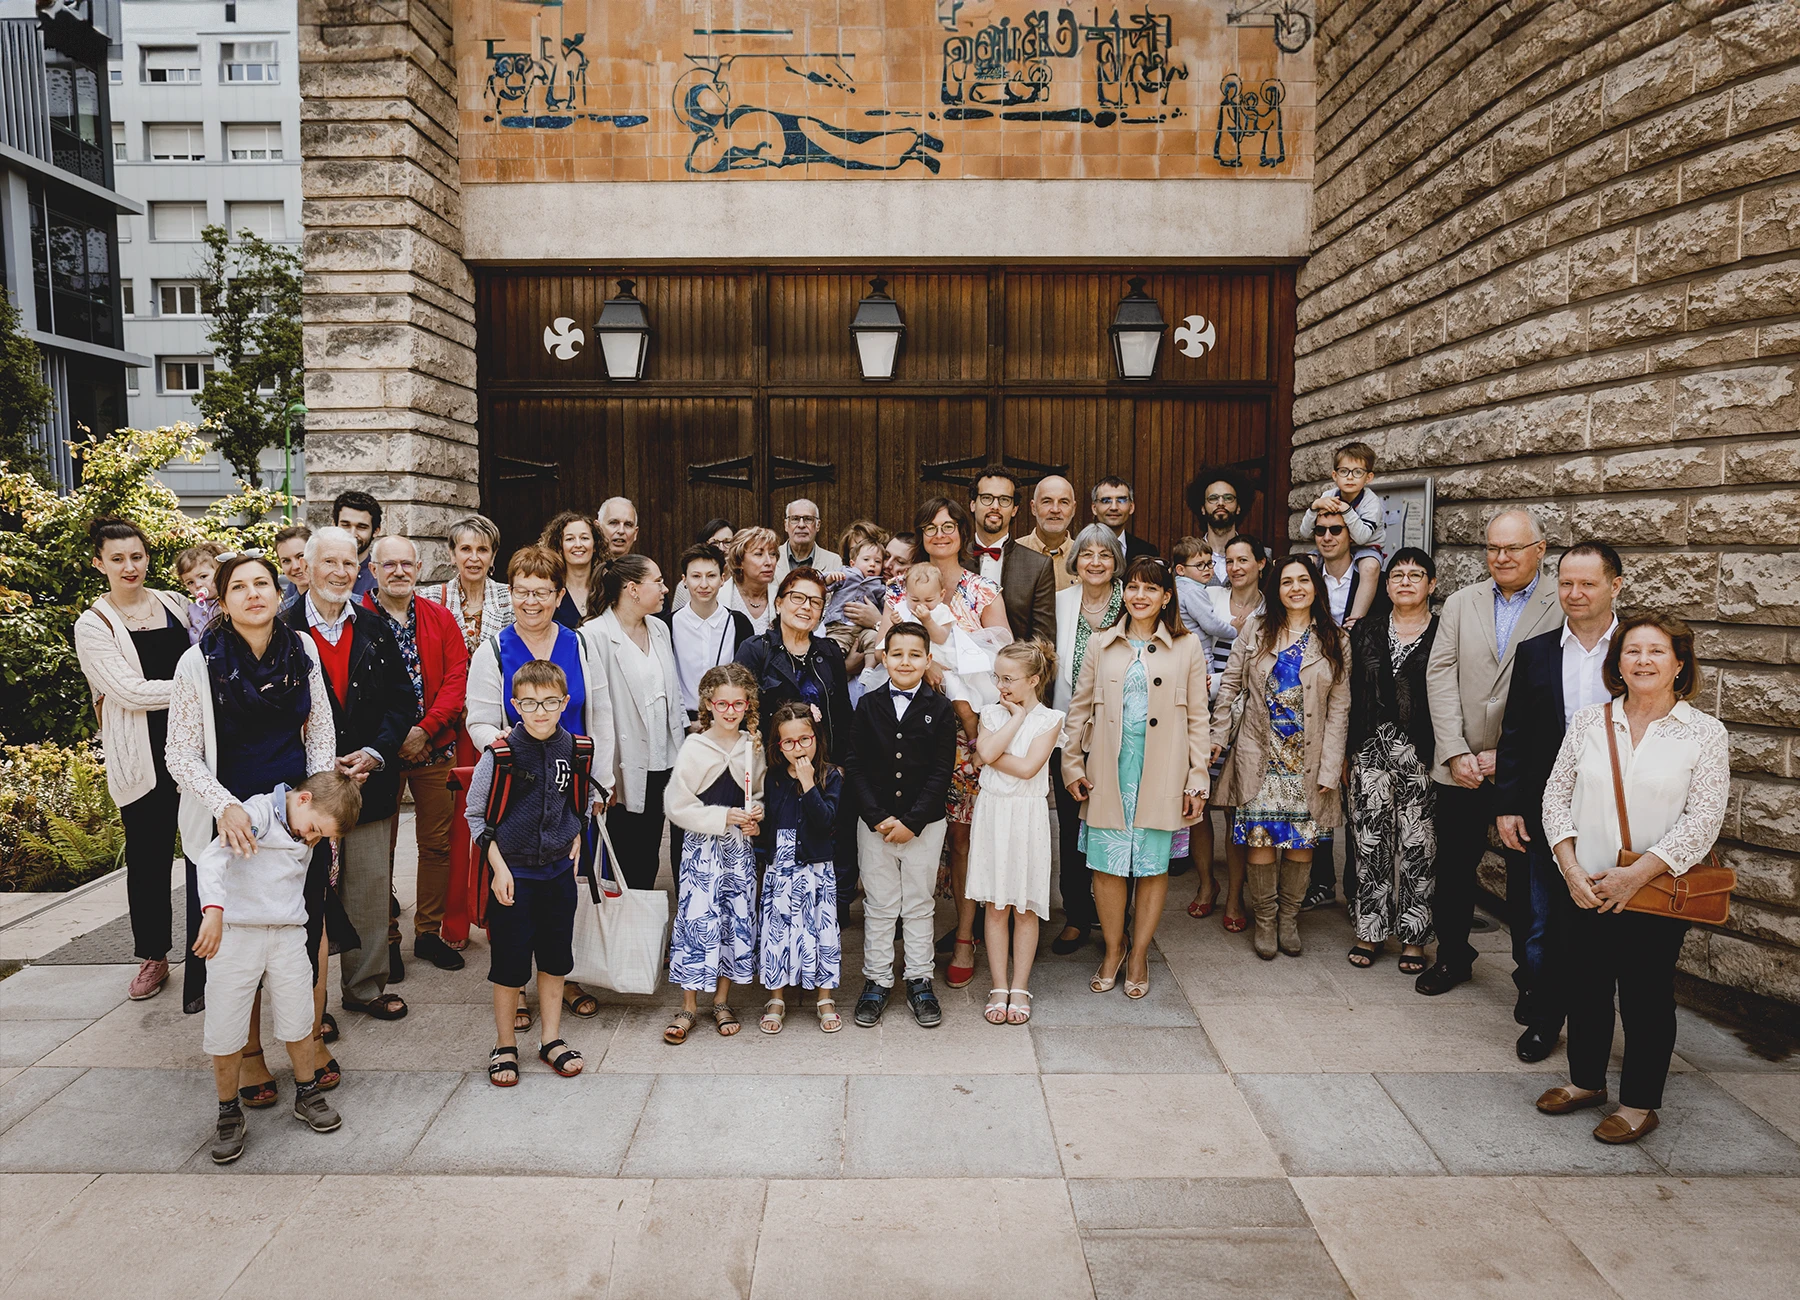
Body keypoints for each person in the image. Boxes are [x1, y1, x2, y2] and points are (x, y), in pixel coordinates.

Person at [1534, 614, 1730, 1144]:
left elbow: (1704, 819)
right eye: (1632, 651)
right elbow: (1555, 797)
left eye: (1657, 652)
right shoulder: (1588, 722)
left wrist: (1635, 875)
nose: (1643, 660)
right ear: (1616, 662)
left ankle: (1640, 1102)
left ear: (1679, 664)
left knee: (1645, 996)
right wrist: (1571, 870)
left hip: (1652, 890)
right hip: (1586, 883)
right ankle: (1585, 1082)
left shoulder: (1704, 733)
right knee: (1585, 986)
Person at [166, 551, 337, 1087]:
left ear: (279, 592)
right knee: (239, 944)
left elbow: (322, 734)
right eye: (238, 587)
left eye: (262, 583)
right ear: (222, 600)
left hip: (294, 817)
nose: (253, 593)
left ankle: (305, 1045)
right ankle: (249, 1055)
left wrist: (318, 803)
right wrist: (224, 806)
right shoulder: (198, 662)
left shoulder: (301, 648)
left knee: (300, 935)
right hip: (232, 822)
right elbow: (180, 753)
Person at [466, 544, 615, 1022]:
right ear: (511, 593)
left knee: (562, 886)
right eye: (523, 592)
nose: (532, 602)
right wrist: (515, 744)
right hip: (518, 783)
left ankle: (561, 978)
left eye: (543, 592)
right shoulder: (492, 650)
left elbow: (599, 715)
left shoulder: (581, 643)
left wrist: (599, 786)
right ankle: (518, 986)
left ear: (558, 595)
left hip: (570, 780)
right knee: (516, 889)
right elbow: (480, 720)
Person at [1418, 508, 1561, 995]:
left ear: (1539, 551)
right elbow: (1439, 676)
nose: (1500, 557)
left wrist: (1511, 755)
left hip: (1523, 771)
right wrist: (1455, 750)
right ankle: (1453, 957)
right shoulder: (1461, 602)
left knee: (1526, 883)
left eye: (1512, 548)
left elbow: (1563, 692)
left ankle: (1531, 978)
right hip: (1460, 769)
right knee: (1454, 871)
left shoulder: (1560, 604)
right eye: (1492, 548)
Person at [280, 526, 416, 1018]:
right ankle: (307, 1008)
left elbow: (403, 704)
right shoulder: (282, 627)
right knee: (304, 896)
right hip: (304, 792)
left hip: (369, 780)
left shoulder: (376, 627)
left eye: (349, 563)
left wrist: (376, 753)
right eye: (329, 563)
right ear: (306, 568)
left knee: (368, 889)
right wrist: (317, 765)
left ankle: (365, 988)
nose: (340, 572)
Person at [876, 497, 1012, 988]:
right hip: (910, 727)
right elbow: (885, 650)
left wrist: (951, 664)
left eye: (949, 526)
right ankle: (911, 934)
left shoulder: (981, 588)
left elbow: (1004, 653)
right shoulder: (899, 588)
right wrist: (926, 664)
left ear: (963, 531)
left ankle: (965, 935)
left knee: (961, 835)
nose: (940, 534)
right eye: (930, 527)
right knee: (914, 829)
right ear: (919, 534)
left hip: (966, 730)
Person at [1496, 541, 1624, 1062]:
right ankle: (1545, 1018)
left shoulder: (1638, 648)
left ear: (1615, 586)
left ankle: (1612, 1025)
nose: (1574, 593)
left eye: (1587, 583)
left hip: (1622, 812)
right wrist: (1508, 804)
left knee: (1617, 926)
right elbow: (1516, 734)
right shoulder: (1537, 652)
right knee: (1543, 923)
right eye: (1566, 583)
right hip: (1551, 810)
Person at [194, 771, 359, 1163]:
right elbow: (211, 859)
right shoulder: (257, 813)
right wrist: (213, 912)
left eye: (322, 837)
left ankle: (307, 1092)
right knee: (226, 1026)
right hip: (236, 932)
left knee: (299, 1019)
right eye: (316, 829)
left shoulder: (303, 824)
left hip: (286, 934)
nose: (313, 839)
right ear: (302, 801)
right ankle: (228, 1111)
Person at [1063, 557, 1209, 996]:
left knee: (1150, 868)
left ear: (1167, 597)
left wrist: (1197, 778)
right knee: (1106, 868)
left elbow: (1199, 719)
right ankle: (1113, 947)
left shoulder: (1188, 647)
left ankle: (1140, 952)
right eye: (1132, 587)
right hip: (1109, 768)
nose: (1139, 596)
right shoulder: (1102, 644)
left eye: (1151, 589)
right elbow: (1078, 709)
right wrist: (1071, 763)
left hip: (1164, 771)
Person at [75, 518, 194, 1001]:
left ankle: (219, 947)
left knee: (211, 851)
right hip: (142, 758)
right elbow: (126, 690)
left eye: (137, 556)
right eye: (118, 558)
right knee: (148, 860)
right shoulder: (93, 623)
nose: (130, 566)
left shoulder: (176, 603)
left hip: (195, 748)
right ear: (99, 563)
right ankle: (154, 955)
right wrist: (199, 689)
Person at [1210, 554, 1351, 961]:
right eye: (1286, 581)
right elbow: (1231, 686)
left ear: (1315, 587)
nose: (1295, 588)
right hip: (1260, 753)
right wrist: (1218, 738)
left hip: (1306, 760)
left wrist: (1331, 765)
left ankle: (1290, 918)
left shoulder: (1334, 638)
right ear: (1276, 589)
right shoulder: (1256, 629)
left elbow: (1341, 707)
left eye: (1303, 580)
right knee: (1260, 840)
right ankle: (1266, 920)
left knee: (1302, 843)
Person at [465, 660, 596, 1086]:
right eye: (530, 703)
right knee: (509, 964)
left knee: (556, 959)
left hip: (558, 872)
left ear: (565, 702)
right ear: (515, 704)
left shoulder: (575, 750)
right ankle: (505, 1044)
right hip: (513, 873)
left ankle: (551, 1039)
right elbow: (475, 814)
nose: (541, 711)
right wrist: (498, 866)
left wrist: (577, 832)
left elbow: (584, 798)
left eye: (550, 702)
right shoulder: (500, 753)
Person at [364, 535, 470, 974]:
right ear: (373, 570)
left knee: (437, 845)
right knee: (377, 850)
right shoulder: (358, 619)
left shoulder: (439, 617)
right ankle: (386, 938)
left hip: (435, 746)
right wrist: (394, 740)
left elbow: (455, 677)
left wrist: (425, 730)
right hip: (379, 755)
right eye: (389, 564)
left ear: (420, 566)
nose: (399, 572)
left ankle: (428, 933)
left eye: (406, 564)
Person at [846, 623, 958, 1029]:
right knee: (879, 905)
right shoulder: (868, 703)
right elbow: (855, 765)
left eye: (914, 654)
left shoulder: (940, 708)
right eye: (897, 654)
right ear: (884, 656)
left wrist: (912, 822)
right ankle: (876, 980)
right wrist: (876, 816)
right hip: (874, 824)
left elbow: (941, 771)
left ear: (928, 659)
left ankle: (918, 979)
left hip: (923, 826)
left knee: (917, 903)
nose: (905, 661)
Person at [735, 566, 858, 909]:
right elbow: (742, 714)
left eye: (815, 602)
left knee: (825, 844)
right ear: (779, 603)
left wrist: (841, 767)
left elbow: (842, 713)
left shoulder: (829, 652)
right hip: (772, 774)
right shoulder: (755, 650)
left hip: (820, 770)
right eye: (797, 598)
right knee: (773, 859)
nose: (806, 607)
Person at [1345, 548, 1439, 975]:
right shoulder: (1364, 630)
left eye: (1416, 575)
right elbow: (1348, 695)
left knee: (1419, 846)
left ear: (1431, 585)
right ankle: (1369, 931)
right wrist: (1347, 752)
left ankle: (1414, 938)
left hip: (1422, 754)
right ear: (1386, 586)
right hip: (1369, 750)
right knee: (1370, 844)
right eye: (1397, 575)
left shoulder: (1444, 633)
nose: (1405, 581)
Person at [663, 663, 764, 1044]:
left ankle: (722, 1000)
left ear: (747, 704)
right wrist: (723, 816)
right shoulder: (695, 747)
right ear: (708, 703)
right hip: (703, 850)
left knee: (733, 919)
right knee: (697, 921)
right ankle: (688, 1004)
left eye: (738, 703)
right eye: (722, 704)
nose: (730, 711)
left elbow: (759, 796)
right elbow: (676, 805)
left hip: (738, 849)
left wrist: (757, 817)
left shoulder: (751, 746)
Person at [967, 641, 1063, 1027]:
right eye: (997, 677)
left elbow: (1025, 768)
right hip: (993, 813)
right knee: (995, 905)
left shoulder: (1052, 719)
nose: (1001, 685)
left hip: (1026, 815)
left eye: (1009, 679)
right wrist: (1013, 720)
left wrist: (993, 751)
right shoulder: (991, 712)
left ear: (1034, 680)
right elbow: (984, 754)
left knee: (1024, 906)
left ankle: (1020, 986)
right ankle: (999, 984)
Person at [582, 554, 686, 890]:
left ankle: (642, 933)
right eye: (657, 581)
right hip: (621, 769)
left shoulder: (659, 628)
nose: (666, 588)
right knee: (621, 855)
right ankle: (621, 936)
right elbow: (593, 710)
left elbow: (671, 693)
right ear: (633, 589)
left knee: (649, 853)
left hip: (662, 760)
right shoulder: (594, 635)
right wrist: (602, 775)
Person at [1049, 524, 1125, 954]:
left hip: (1122, 734)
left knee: (1117, 825)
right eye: (1087, 554)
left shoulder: (1131, 605)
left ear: (1117, 562)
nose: (1095, 562)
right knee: (1070, 825)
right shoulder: (1061, 603)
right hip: (1069, 732)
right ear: (1074, 561)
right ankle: (1077, 915)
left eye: (1105, 554)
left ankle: (1118, 915)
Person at [1185, 534, 1265, 928]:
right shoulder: (1209, 597)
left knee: (1235, 808)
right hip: (1199, 714)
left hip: (1245, 719)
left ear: (1260, 564)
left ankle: (1235, 896)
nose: (1234, 568)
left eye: (1243, 560)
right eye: (1228, 561)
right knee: (1197, 802)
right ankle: (1206, 884)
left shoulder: (1272, 608)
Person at [757, 701, 845, 1033]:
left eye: (805, 739)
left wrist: (809, 783)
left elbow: (825, 823)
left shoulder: (831, 776)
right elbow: (768, 826)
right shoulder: (774, 778)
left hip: (817, 865)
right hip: (781, 866)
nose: (798, 748)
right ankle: (776, 996)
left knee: (820, 931)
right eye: (789, 742)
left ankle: (824, 997)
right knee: (778, 931)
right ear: (778, 745)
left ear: (816, 738)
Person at [663, 543, 755, 719]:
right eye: (696, 576)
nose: (703, 584)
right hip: (683, 722)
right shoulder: (668, 624)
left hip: (728, 719)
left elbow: (747, 681)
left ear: (722, 579)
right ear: (684, 579)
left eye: (711, 576)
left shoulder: (739, 623)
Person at [1300, 442, 1386, 627]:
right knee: (1303, 564)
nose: (1350, 477)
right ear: (1334, 475)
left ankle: (1354, 620)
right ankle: (1306, 617)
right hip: (1337, 545)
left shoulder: (1371, 503)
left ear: (1368, 477)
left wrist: (1347, 512)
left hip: (1367, 547)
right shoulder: (1329, 495)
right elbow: (1305, 532)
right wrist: (1314, 507)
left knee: (1370, 568)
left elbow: (1363, 537)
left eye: (1357, 472)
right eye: (1344, 471)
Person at [969, 466, 1057, 642]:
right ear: (973, 504)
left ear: (1015, 509)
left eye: (1004, 500)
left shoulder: (1038, 567)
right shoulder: (954, 559)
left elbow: (1043, 642)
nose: (995, 506)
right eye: (987, 498)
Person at [418, 513, 512, 653]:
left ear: (493, 556)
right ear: (452, 554)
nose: (474, 558)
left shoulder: (510, 598)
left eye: (482, 550)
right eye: (466, 549)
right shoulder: (429, 598)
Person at [820, 537, 888, 656]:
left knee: (874, 641)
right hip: (839, 627)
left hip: (864, 630)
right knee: (833, 649)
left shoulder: (879, 585)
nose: (872, 564)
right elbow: (822, 585)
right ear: (853, 563)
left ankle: (869, 669)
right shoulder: (845, 573)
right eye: (866, 559)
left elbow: (886, 604)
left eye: (877, 561)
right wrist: (829, 578)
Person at [1187, 469, 1254, 584]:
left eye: (1228, 498)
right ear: (1202, 508)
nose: (1221, 503)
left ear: (1238, 507)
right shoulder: (1186, 556)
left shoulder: (1258, 555)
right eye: (1213, 498)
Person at [1017, 474, 1078, 591]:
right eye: (1047, 501)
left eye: (1063, 502)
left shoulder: (1084, 557)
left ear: (1073, 509)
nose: (1055, 509)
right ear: (1033, 508)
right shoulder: (1013, 554)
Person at [539, 509, 599, 629]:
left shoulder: (606, 588)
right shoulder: (550, 589)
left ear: (595, 545)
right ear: (560, 546)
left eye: (584, 538)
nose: (578, 544)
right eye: (570, 539)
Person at [1309, 511, 1365, 630]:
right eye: (1320, 530)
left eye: (1336, 530)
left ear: (1351, 536)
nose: (1327, 537)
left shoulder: (1372, 582)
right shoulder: (1308, 578)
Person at [721, 525, 781, 634]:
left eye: (772, 554)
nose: (769, 562)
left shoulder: (782, 596)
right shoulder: (719, 596)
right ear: (739, 561)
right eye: (759, 554)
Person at [670, 518, 738, 611]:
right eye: (714, 543)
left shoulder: (743, 581)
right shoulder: (686, 586)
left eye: (727, 542)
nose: (721, 548)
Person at [1089, 476, 1159, 562]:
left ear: (1131, 507)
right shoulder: (1079, 549)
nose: (1114, 507)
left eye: (1121, 500)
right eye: (1106, 500)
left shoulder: (1147, 552)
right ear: (1094, 508)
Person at [774, 497, 842, 581]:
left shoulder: (834, 562)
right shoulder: (771, 558)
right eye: (795, 519)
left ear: (818, 525)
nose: (801, 525)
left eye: (808, 519)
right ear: (786, 525)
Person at [331, 489, 382, 598]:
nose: (352, 534)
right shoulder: (313, 573)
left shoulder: (381, 580)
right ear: (334, 525)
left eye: (361, 527)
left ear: (376, 531)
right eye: (345, 525)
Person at [174, 542, 223, 644]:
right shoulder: (190, 610)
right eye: (190, 582)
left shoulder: (230, 604)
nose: (198, 585)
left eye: (203, 576)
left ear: (219, 572)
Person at [274, 524, 311, 609]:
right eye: (286, 561)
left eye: (301, 556)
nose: (295, 566)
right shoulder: (283, 613)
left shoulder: (344, 602)